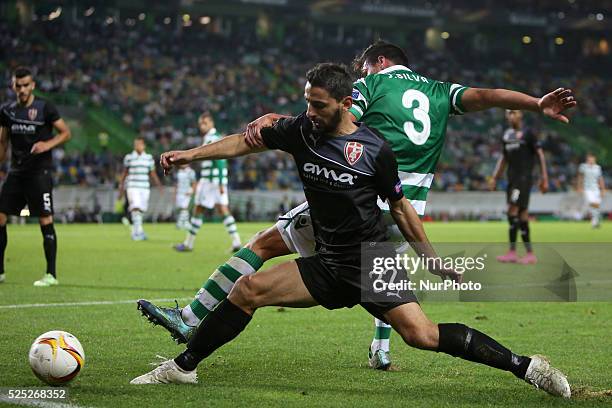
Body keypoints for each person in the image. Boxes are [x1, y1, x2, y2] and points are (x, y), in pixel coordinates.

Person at [131, 63, 570, 398]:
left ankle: (528, 367)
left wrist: (431, 259)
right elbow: (246, 142)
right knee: (247, 290)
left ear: (344, 103)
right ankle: (184, 365)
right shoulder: (302, 131)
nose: (310, 112)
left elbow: (399, 209)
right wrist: (190, 154)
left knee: (422, 336)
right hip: (327, 264)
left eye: (318, 104)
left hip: (371, 264)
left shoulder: (375, 151)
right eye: (307, 102)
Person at [0, 66, 71, 286]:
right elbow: (3, 141)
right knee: (0, 217)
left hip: (39, 173)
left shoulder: (45, 107)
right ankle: (0, 271)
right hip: (16, 172)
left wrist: (46, 145)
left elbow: (66, 133)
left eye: (25, 85)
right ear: (13, 86)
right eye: (17, 85)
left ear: (32, 85)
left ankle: (51, 274)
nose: (21, 89)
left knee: (45, 219)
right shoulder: (7, 111)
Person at [174, 112, 241, 252]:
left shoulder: (212, 138)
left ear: (211, 123)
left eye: (204, 123)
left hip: (210, 182)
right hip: (216, 182)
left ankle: (188, 244)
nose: (202, 126)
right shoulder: (211, 138)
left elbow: (220, 161)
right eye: (200, 124)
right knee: (223, 210)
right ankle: (236, 241)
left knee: (198, 209)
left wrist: (222, 183)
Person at [490, 110, 549, 264]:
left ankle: (512, 251)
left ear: (520, 115)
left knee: (512, 210)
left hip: (523, 179)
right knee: (522, 214)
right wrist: (495, 177)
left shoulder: (528, 133)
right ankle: (529, 254)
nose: (510, 116)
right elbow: (503, 157)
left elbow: (540, 154)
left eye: (514, 113)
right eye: (508, 113)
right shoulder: (506, 135)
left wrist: (544, 178)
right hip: (511, 180)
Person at [118, 137, 161, 241]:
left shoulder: (148, 158)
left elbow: (152, 173)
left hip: (144, 187)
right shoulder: (129, 157)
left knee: (140, 209)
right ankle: (136, 233)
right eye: (135, 144)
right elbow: (124, 173)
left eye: (139, 144)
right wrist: (121, 186)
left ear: (143, 145)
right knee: (135, 207)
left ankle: (138, 230)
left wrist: (158, 184)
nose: (137, 146)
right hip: (132, 186)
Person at [577, 153, 605, 228]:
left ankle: (595, 222)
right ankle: (596, 218)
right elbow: (580, 177)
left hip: (596, 188)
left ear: (594, 159)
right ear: (587, 159)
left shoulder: (598, 167)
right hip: (587, 189)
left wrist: (602, 189)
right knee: (592, 203)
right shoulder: (583, 167)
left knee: (596, 205)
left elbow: (600, 179)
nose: (591, 160)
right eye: (589, 159)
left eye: (592, 159)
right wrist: (579, 187)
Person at [174, 164, 197, 229]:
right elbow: (176, 184)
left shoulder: (190, 172)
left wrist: (192, 191)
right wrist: (175, 194)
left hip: (187, 192)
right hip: (179, 192)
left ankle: (181, 223)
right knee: (182, 208)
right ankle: (184, 222)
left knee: (185, 207)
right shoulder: (179, 172)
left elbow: (194, 182)